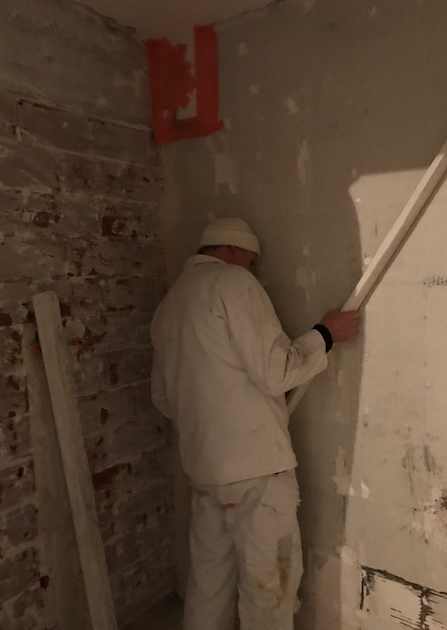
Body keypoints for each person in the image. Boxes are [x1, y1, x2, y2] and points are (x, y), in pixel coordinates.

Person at [150, 218, 359, 630]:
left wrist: (214, 415)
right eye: (252, 261)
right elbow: (276, 372)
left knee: (208, 586)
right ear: (235, 250)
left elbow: (162, 397)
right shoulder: (234, 283)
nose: (253, 269)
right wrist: (325, 334)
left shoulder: (170, 303)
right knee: (269, 591)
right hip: (256, 472)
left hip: (204, 470)